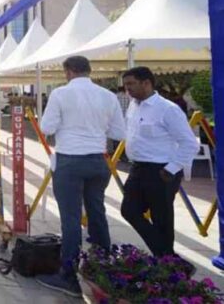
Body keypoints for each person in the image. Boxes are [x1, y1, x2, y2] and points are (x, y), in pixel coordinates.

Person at [35, 56, 126, 297]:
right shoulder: (108, 96)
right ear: (89, 70)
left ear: (68, 71)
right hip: (98, 161)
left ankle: (68, 273)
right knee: (97, 211)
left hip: (70, 160)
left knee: (71, 218)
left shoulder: (60, 94)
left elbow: (46, 128)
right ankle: (103, 267)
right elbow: (119, 132)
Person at [120, 66, 198, 257]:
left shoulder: (167, 109)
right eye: (125, 84)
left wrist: (172, 168)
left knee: (161, 219)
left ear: (146, 83)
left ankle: (166, 262)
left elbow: (189, 143)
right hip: (138, 168)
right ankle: (168, 258)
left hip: (162, 171)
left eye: (131, 84)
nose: (127, 89)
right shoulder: (133, 106)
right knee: (129, 211)